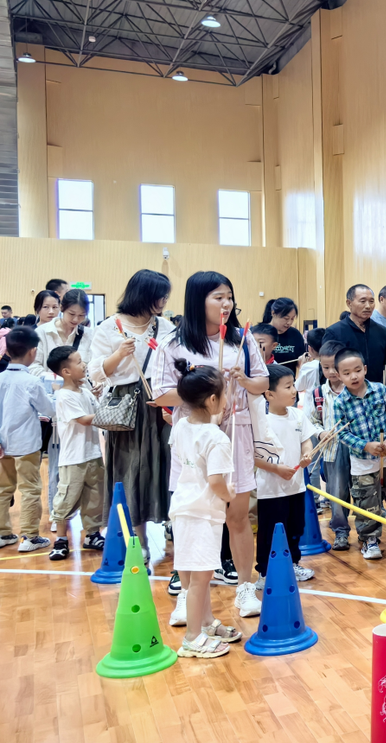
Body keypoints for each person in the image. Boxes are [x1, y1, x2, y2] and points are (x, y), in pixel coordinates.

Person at [151, 271, 269, 618]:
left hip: (236, 434)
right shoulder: (175, 343)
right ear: (197, 300)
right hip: (195, 435)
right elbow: (160, 392)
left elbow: (262, 382)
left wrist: (244, 380)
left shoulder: (241, 339)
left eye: (229, 296)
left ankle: (245, 589)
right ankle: (187, 595)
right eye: (218, 297)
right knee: (193, 515)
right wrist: (206, 390)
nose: (226, 303)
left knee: (238, 515)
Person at [88, 269, 173, 545]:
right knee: (131, 471)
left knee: (168, 465)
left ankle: (172, 523)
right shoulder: (109, 326)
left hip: (161, 402)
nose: (162, 302)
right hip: (127, 407)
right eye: (158, 297)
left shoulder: (165, 326)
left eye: (164, 297)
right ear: (143, 295)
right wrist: (118, 354)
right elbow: (96, 374)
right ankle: (139, 542)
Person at [166, 362, 242, 659]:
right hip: (202, 513)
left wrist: (213, 421)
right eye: (223, 394)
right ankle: (192, 638)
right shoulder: (217, 438)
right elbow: (215, 481)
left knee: (194, 575)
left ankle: (207, 623)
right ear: (212, 400)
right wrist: (230, 495)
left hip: (183, 509)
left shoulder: (181, 425)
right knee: (200, 578)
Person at [334, 348, 386, 561]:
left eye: (358, 370)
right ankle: (370, 539)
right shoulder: (340, 402)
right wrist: (365, 445)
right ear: (338, 375)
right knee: (366, 503)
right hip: (362, 463)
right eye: (347, 372)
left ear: (365, 369)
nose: (354, 376)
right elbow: (342, 433)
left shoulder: (380, 390)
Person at [30, 289, 96, 515]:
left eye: (81, 315)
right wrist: (62, 379)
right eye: (71, 314)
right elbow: (34, 367)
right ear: (62, 309)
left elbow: (91, 369)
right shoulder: (43, 332)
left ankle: (85, 522)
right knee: (59, 463)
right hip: (53, 406)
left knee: (84, 463)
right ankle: (58, 518)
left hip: (81, 402)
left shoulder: (88, 335)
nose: (76, 320)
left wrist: (90, 385)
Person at [254, 365, 316, 587]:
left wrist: (307, 453)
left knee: (295, 528)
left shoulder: (298, 415)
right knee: (270, 531)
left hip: (296, 487)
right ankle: (264, 571)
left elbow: (306, 440)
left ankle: (293, 564)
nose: (294, 391)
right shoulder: (260, 421)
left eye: (294, 385)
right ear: (269, 394)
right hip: (270, 490)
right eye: (288, 387)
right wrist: (276, 469)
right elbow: (252, 456)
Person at [46, 346, 105, 560]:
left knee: (94, 497)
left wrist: (99, 401)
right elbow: (84, 419)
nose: (84, 364)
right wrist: (109, 414)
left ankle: (92, 535)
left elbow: (94, 410)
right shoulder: (64, 395)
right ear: (66, 372)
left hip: (93, 454)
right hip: (74, 458)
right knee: (66, 499)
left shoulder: (85, 391)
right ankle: (61, 539)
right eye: (79, 362)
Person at [0, 327, 54, 552]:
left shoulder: (1, 378)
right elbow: (47, 408)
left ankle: (3, 534)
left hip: (3, 444)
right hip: (27, 445)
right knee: (31, 489)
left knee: (3, 489)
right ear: (33, 352)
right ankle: (30, 536)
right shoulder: (31, 382)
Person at [304, 340, 352, 548]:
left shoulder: (356, 389)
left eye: (335, 366)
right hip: (332, 450)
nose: (331, 372)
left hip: (360, 450)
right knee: (336, 491)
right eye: (326, 367)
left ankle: (370, 535)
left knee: (366, 491)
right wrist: (320, 431)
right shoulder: (317, 394)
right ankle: (340, 530)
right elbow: (311, 419)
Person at [324, 284, 386, 401]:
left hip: (376, 397)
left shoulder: (382, 332)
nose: (368, 306)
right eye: (363, 301)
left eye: (371, 301)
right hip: (345, 398)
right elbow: (327, 366)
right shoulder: (334, 332)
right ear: (349, 303)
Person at [261, 297, 305, 374]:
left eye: (292, 319)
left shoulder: (295, 334)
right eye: (286, 318)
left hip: (288, 382)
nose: (289, 322)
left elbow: (299, 362)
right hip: (264, 382)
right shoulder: (259, 333)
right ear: (273, 313)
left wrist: (304, 361)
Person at [295, 327, 325, 399]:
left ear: (310, 348)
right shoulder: (334, 364)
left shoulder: (308, 366)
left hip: (312, 405)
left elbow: (298, 387)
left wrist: (302, 365)